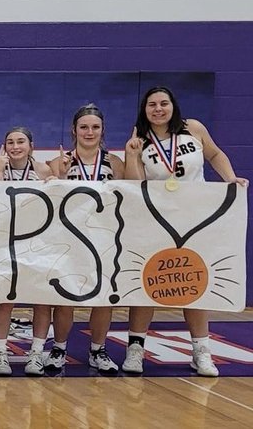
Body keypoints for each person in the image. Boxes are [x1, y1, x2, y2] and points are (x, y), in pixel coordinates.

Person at [121, 86, 248, 378]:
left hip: (196, 218)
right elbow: (135, 184)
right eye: (151, 104)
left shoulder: (193, 128)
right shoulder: (140, 140)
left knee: (194, 282)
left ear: (173, 106)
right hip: (158, 220)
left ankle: (201, 350)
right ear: (144, 110)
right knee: (148, 281)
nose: (158, 109)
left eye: (163, 103)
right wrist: (131, 156)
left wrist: (230, 179)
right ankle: (136, 349)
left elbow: (215, 154)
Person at [47, 103, 126, 375]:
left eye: (95, 127)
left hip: (105, 238)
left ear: (102, 130)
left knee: (103, 297)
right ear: (74, 130)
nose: (89, 132)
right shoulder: (60, 162)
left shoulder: (115, 163)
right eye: (84, 127)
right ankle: (59, 348)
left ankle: (97, 350)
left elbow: (132, 196)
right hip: (68, 237)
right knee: (66, 297)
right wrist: (58, 175)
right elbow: (48, 200)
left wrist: (136, 159)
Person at [0, 126, 53, 376]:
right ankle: (1, 353)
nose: (15, 147)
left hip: (39, 242)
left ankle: (36, 353)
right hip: (7, 242)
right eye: (10, 142)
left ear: (31, 145)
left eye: (21, 142)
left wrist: (56, 182)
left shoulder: (43, 170)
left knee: (41, 299)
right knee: (6, 299)